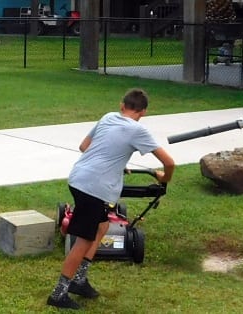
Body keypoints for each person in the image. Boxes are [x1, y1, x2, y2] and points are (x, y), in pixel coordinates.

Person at [47, 88, 175, 309]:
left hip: (79, 178)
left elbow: (84, 146)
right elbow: (169, 162)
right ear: (143, 112)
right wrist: (165, 178)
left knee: (102, 227)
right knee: (83, 240)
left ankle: (79, 279)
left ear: (121, 105)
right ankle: (58, 294)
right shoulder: (138, 130)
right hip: (93, 188)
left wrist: (117, 162)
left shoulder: (108, 117)